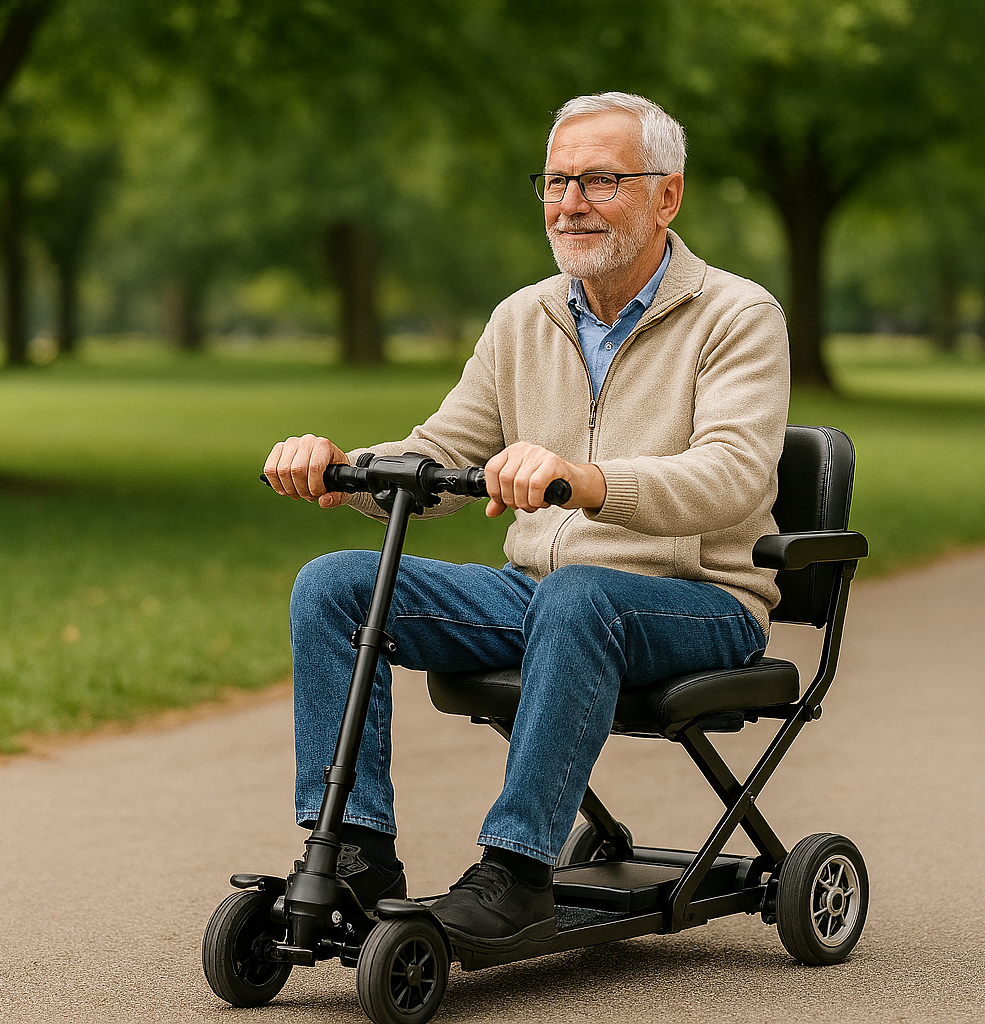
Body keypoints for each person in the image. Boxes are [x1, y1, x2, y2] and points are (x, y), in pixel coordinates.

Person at [263, 92, 790, 959]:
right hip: (543, 597)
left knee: (580, 597)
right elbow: (440, 460)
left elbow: (730, 476)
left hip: (696, 603)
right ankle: (354, 853)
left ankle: (515, 871)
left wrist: (583, 481)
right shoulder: (524, 317)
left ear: (668, 196)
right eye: (556, 180)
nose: (570, 201)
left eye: (600, 180)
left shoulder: (738, 317)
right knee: (335, 586)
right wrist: (342, 468)